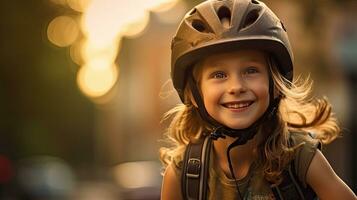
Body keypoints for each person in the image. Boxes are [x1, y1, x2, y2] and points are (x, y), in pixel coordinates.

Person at [160, 0, 357, 199]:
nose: (236, 87)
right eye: (219, 75)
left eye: (251, 70)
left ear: (276, 85)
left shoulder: (298, 156)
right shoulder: (183, 175)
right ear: (194, 94)